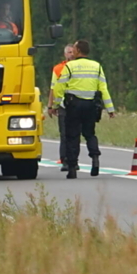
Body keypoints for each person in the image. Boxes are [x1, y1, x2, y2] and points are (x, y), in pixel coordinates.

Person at [51, 39, 114, 178]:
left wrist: (55, 105)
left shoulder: (70, 66)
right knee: (90, 133)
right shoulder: (97, 66)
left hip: (74, 105)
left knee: (72, 136)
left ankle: (72, 168)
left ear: (78, 51)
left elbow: (59, 87)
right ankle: (95, 158)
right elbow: (103, 88)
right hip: (91, 105)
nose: (72, 50)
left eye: (74, 48)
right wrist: (110, 108)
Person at [47, 44, 76, 172]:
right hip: (63, 105)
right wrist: (50, 106)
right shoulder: (58, 69)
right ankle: (64, 160)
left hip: (76, 104)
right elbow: (53, 88)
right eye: (69, 52)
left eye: (73, 52)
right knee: (64, 134)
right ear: (65, 54)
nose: (71, 54)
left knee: (75, 134)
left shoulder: (80, 67)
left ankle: (74, 160)